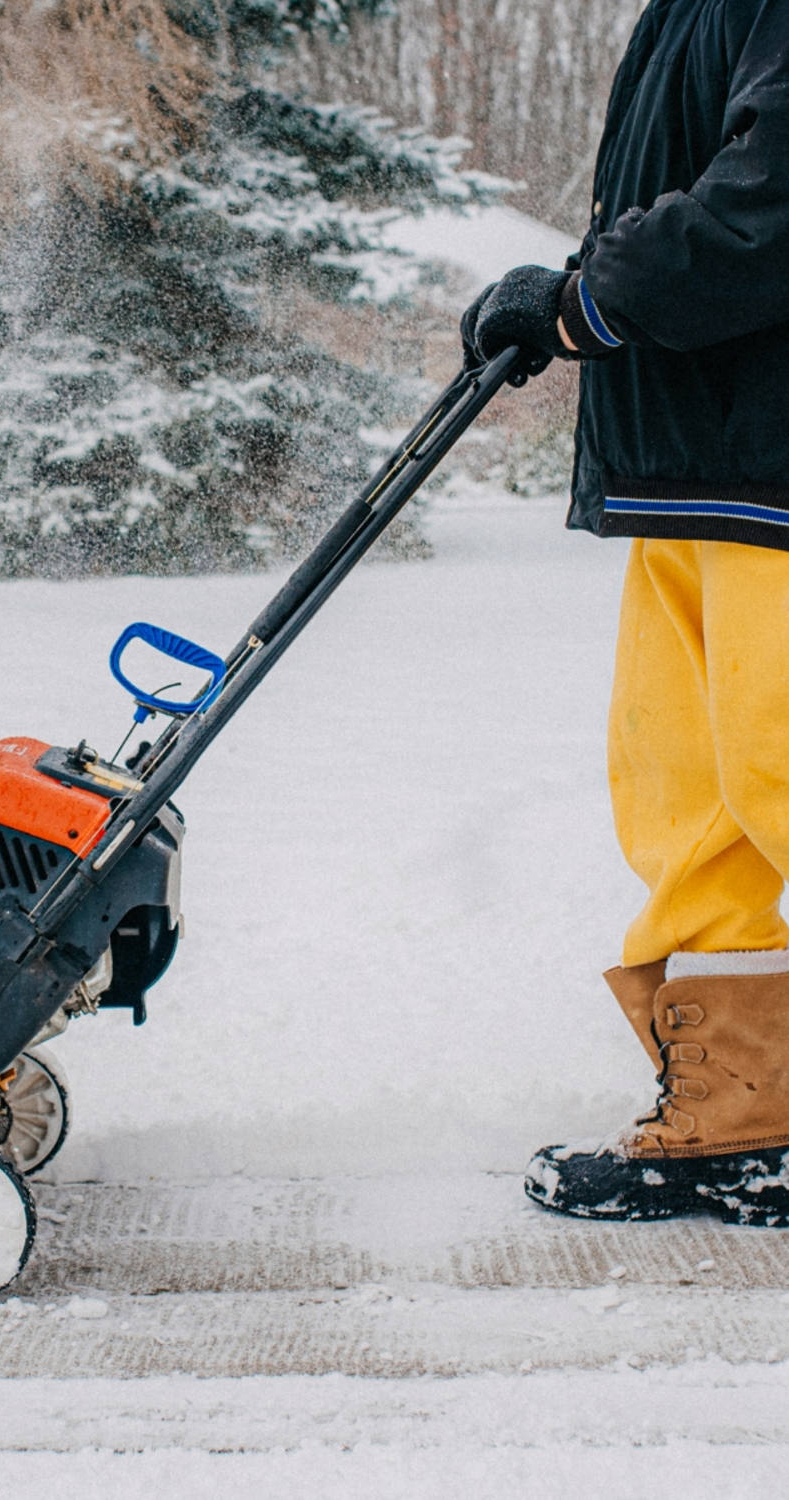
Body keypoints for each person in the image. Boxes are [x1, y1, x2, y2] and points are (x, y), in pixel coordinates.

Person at [461, 0, 789, 1224]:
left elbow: (768, 206)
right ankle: (744, 1112)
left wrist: (588, 299)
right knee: (695, 806)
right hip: (698, 468)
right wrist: (577, 299)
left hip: (772, 465)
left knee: (781, 775)